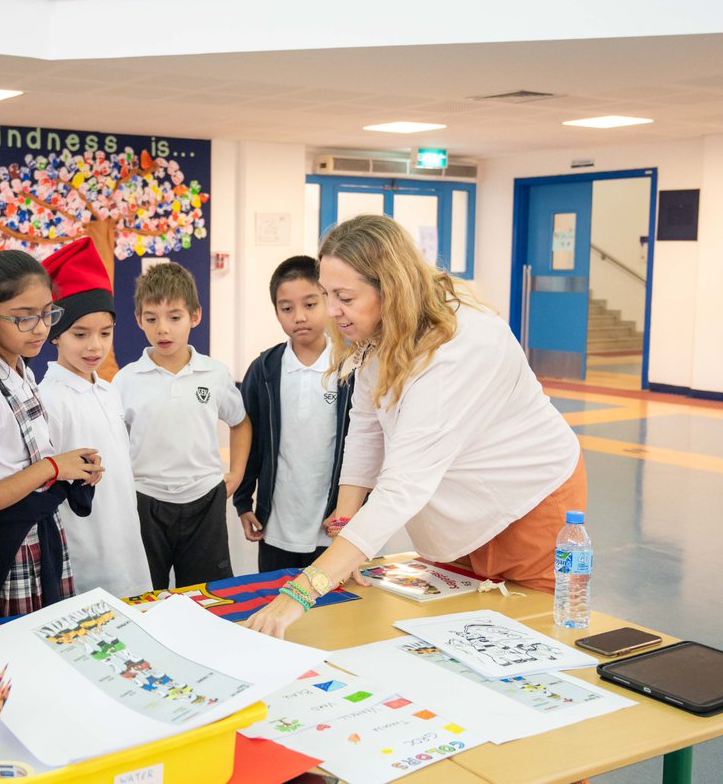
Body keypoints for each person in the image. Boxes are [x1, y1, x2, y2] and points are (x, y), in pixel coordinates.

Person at [248, 215, 585, 639]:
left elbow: (401, 486)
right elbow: (366, 425)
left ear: (390, 289)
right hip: (457, 506)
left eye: (344, 297)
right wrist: (344, 525)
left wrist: (302, 590)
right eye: (329, 294)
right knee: (461, 632)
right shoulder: (380, 331)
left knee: (527, 636)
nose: (332, 310)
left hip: (525, 500)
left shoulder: (457, 352)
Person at [0, 249, 103, 622]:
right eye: (23, 318)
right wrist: (52, 467)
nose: (40, 328)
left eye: (48, 313)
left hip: (36, 535)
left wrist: (70, 467)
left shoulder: (21, 371)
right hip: (9, 550)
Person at [112, 261, 252, 589]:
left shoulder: (215, 373)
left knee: (209, 596)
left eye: (174, 317)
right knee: (146, 595)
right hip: (144, 501)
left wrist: (237, 473)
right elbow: (115, 444)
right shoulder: (125, 380)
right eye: (152, 318)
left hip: (204, 500)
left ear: (195, 316)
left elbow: (240, 422)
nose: (163, 329)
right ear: (138, 320)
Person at [37, 237, 153, 597]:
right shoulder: (49, 397)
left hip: (126, 540)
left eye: (105, 333)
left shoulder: (108, 389)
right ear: (56, 334)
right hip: (83, 547)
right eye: (80, 334)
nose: (95, 346)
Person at [233, 255, 355, 572]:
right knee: (276, 605)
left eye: (310, 305)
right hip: (278, 525)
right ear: (276, 311)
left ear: (327, 301)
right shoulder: (265, 369)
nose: (299, 317)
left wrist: (352, 510)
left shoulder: (350, 366)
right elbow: (250, 438)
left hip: (334, 524)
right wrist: (244, 502)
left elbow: (364, 447)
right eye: (287, 308)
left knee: (331, 612)